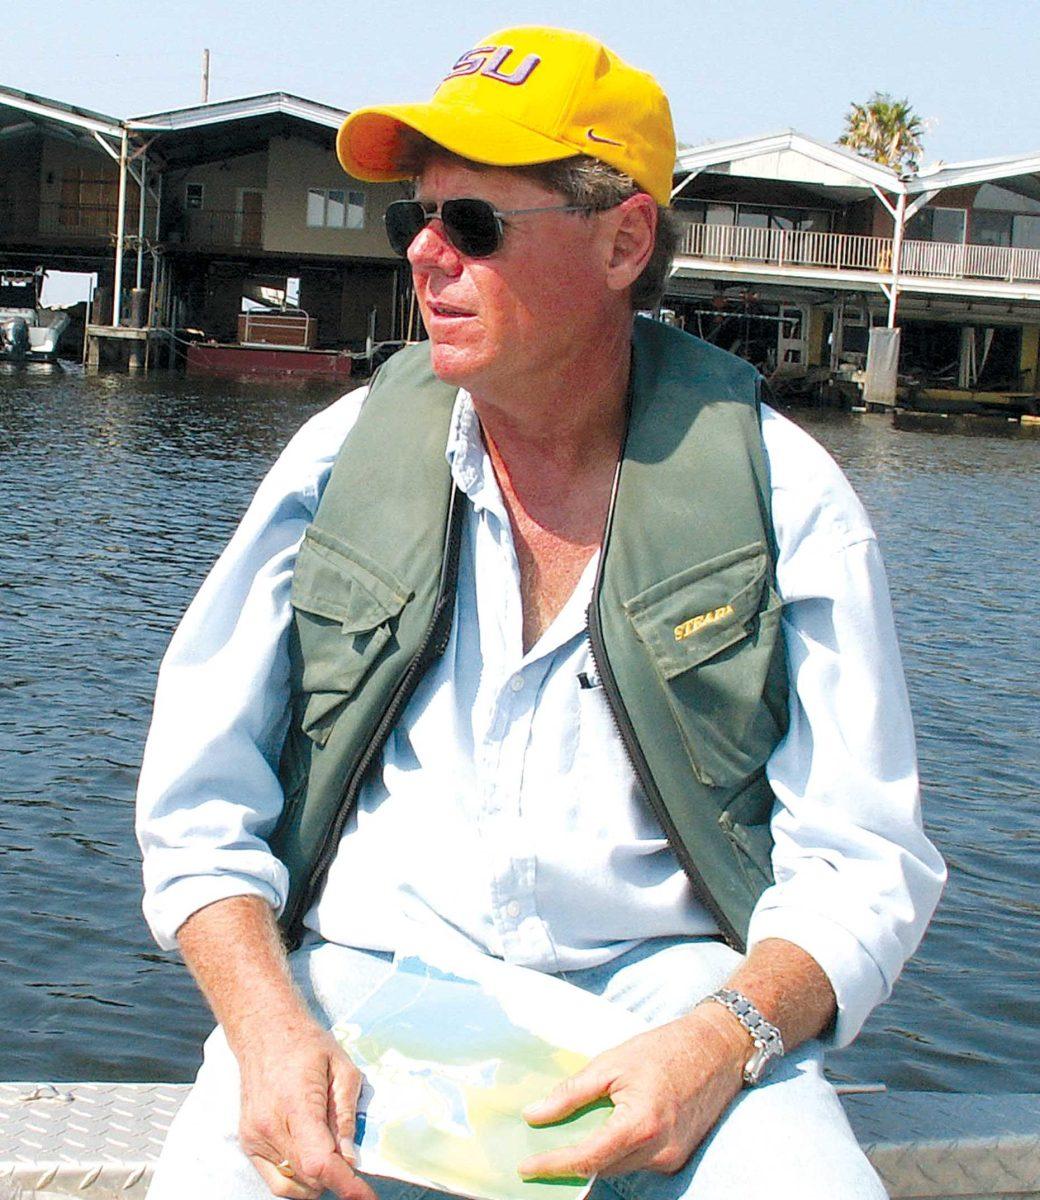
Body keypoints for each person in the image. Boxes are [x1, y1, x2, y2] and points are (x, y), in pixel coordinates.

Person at [137, 25, 945, 1200]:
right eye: (411, 218)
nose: (424, 256)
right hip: (357, 983)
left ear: (624, 240)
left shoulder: (785, 495)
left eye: (473, 225)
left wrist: (722, 1040)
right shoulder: (336, 460)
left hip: (668, 1004)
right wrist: (266, 1028)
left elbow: (863, 861)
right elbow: (197, 807)